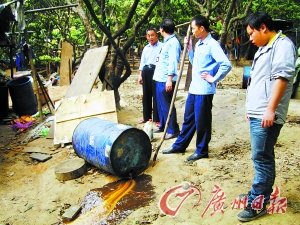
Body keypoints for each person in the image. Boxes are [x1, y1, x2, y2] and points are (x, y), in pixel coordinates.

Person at [237, 12, 296, 222]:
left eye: (251, 33)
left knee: (262, 158)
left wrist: (270, 109)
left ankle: (258, 202)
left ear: (263, 27)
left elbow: (282, 78)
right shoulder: (264, 47)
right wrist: (250, 109)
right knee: (259, 157)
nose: (250, 38)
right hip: (258, 112)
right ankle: (258, 194)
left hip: (266, 114)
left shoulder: (282, 45)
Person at [162, 15, 232, 161]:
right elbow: (195, 63)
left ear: (201, 28)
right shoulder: (199, 43)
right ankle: (180, 145)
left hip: (204, 91)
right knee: (189, 119)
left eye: (194, 29)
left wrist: (213, 79)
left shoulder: (212, 44)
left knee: (202, 122)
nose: (192, 31)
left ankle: (201, 150)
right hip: (194, 89)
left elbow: (226, 64)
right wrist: (189, 48)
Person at [152, 18, 181, 140]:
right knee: (160, 104)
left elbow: (173, 62)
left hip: (166, 79)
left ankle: (173, 129)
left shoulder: (173, 43)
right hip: (159, 78)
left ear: (162, 30)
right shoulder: (167, 42)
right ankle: (164, 125)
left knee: (167, 105)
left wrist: (169, 79)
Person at [138, 28, 162, 125]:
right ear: (146, 37)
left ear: (156, 36)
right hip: (146, 71)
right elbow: (142, 62)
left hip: (156, 71)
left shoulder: (162, 46)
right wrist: (140, 75)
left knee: (156, 95)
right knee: (146, 95)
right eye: (149, 35)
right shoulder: (146, 48)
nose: (151, 37)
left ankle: (157, 119)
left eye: (153, 35)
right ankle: (146, 117)